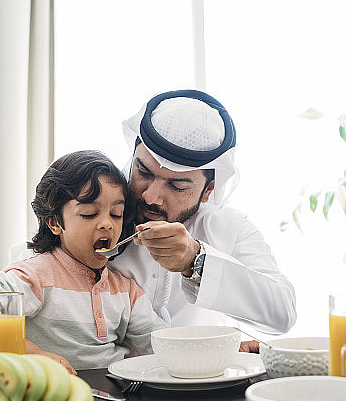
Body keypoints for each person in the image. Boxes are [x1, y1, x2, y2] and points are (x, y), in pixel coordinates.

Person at [109, 89, 297, 350]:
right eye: (143, 171)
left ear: (208, 190)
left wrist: (196, 261)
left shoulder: (230, 227)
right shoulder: (97, 213)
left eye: (176, 186)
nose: (151, 197)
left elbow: (282, 314)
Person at [0, 150, 166, 372]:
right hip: (49, 395)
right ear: (54, 223)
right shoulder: (36, 275)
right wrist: (33, 354)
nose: (106, 224)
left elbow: (159, 346)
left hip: (114, 394)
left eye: (116, 214)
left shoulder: (126, 291)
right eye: (89, 214)